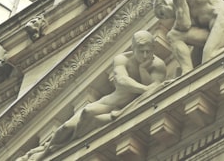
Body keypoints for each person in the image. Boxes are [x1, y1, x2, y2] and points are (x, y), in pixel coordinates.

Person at [19, 31, 166, 159]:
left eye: (148, 51)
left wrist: (143, 70)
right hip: (109, 103)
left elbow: (154, 90)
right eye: (141, 51)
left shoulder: (157, 65)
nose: (145, 55)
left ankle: (47, 150)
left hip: (119, 108)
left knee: (87, 117)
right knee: (68, 126)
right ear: (133, 48)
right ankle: (43, 152)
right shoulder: (122, 59)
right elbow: (122, 80)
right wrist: (144, 88)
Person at [153, 0, 224, 77]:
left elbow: (184, 24)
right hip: (214, 29)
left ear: (164, 3)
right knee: (174, 36)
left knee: (209, 58)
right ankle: (187, 72)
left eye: (162, 14)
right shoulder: (189, 11)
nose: (166, 18)